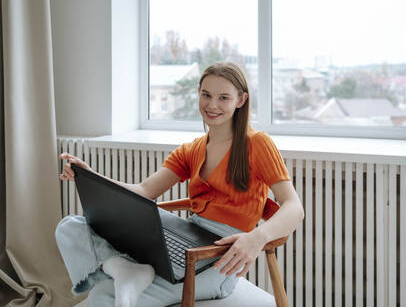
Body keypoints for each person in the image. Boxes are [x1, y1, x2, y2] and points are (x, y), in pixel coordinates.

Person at [56, 62, 304, 307]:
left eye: (223, 97)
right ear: (198, 93)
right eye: (206, 95)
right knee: (70, 226)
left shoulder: (257, 144)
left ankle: (125, 271)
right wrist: (90, 176)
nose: (212, 105)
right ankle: (123, 269)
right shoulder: (192, 149)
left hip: (219, 258)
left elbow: (294, 207)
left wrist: (257, 238)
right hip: (188, 235)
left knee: (103, 297)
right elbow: (144, 191)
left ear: (240, 100)